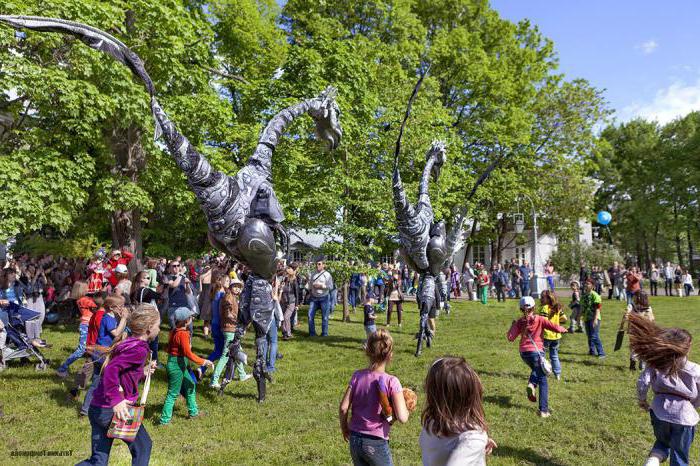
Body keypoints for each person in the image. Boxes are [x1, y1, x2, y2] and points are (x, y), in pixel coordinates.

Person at [76, 304, 160, 466]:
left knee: (98, 462)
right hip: (113, 411)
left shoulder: (129, 342)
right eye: (158, 326)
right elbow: (110, 371)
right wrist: (117, 400)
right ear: (149, 328)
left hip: (97, 408)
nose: (159, 330)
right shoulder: (139, 349)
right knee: (143, 447)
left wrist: (142, 371)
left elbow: (122, 371)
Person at [629, 314, 700, 466]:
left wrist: (642, 400)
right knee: (679, 455)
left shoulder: (655, 364)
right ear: (687, 349)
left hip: (658, 411)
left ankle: (651, 463)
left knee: (662, 443)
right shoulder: (695, 369)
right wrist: (693, 406)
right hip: (684, 417)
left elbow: (643, 381)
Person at [338, 329, 412, 466]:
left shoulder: (357, 376)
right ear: (390, 355)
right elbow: (402, 417)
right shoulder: (392, 381)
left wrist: (345, 428)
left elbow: (343, 408)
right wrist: (407, 407)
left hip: (355, 438)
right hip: (376, 441)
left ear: (367, 351)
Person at [419, 357, 497, 465]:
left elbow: (448, 443)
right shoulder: (472, 438)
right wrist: (476, 441)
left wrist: (480, 442)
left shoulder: (432, 423)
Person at [507, 296, 567, 418]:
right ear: (534, 307)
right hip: (536, 352)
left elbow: (510, 338)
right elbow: (553, 326)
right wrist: (563, 329)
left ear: (520, 309)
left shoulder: (519, 322)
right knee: (542, 378)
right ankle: (542, 409)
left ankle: (534, 388)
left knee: (540, 373)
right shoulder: (540, 319)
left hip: (524, 353)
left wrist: (513, 326)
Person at [159, 307, 213, 425]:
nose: (192, 318)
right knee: (173, 393)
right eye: (190, 317)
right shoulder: (182, 334)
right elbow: (188, 354)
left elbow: (171, 348)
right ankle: (164, 421)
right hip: (176, 365)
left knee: (190, 385)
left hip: (178, 363)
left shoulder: (174, 331)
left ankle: (193, 412)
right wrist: (204, 362)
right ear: (185, 320)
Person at [211, 279, 251, 388]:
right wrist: (238, 320)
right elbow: (228, 313)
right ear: (230, 287)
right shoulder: (228, 297)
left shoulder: (232, 297)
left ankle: (242, 375)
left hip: (231, 329)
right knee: (225, 355)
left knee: (237, 351)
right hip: (229, 329)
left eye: (239, 286)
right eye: (235, 286)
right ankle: (214, 380)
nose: (237, 288)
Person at [56, 281, 96, 377]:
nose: (88, 288)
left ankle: (91, 372)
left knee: (90, 349)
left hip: (87, 325)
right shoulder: (83, 300)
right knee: (81, 350)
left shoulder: (82, 299)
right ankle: (62, 369)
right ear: (81, 290)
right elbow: (96, 304)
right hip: (86, 325)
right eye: (86, 287)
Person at [538, 290, 567, 380]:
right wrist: (557, 322)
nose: (541, 299)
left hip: (546, 336)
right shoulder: (557, 307)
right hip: (556, 336)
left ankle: (542, 372)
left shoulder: (544, 308)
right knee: (554, 355)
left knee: (541, 355)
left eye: (543, 297)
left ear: (548, 298)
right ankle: (557, 374)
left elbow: (543, 322)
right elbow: (564, 319)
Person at [625, 291, 655, 371]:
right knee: (636, 346)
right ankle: (634, 363)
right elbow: (626, 315)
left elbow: (651, 319)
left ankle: (640, 364)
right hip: (635, 331)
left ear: (638, 297)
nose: (633, 298)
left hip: (643, 331)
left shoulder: (647, 308)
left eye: (634, 296)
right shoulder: (631, 306)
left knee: (642, 347)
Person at [307, 260, 333, 337]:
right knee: (310, 316)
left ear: (323, 265)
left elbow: (331, 286)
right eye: (316, 264)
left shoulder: (327, 275)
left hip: (324, 298)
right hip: (314, 298)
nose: (317, 265)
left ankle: (324, 333)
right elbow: (310, 284)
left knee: (325, 317)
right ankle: (312, 333)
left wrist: (321, 286)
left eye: (319, 264)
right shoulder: (313, 273)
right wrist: (310, 291)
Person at [581, 279, 605, 359]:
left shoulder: (595, 295)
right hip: (587, 318)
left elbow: (597, 308)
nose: (586, 285)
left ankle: (601, 353)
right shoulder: (584, 296)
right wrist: (579, 318)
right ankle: (592, 351)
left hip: (595, 318)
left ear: (592, 286)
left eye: (588, 284)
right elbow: (582, 308)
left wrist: (595, 319)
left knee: (594, 336)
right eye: (585, 284)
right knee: (589, 336)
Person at [280, 263, 301, 340]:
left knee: (286, 317)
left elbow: (297, 293)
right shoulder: (284, 279)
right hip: (283, 301)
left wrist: (297, 305)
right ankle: (285, 333)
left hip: (291, 302)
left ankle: (288, 333)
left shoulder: (295, 280)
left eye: (288, 272)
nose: (286, 274)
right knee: (283, 318)